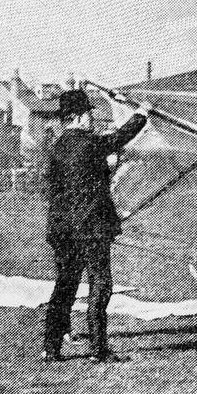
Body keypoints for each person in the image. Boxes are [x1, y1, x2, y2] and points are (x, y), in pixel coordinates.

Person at [43, 89, 150, 363]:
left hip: (62, 230)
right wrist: (142, 113)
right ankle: (99, 348)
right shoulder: (90, 143)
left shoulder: (56, 148)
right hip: (91, 229)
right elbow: (119, 138)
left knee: (65, 285)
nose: (92, 118)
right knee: (100, 283)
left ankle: (51, 348)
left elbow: (63, 185)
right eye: (89, 114)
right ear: (79, 117)